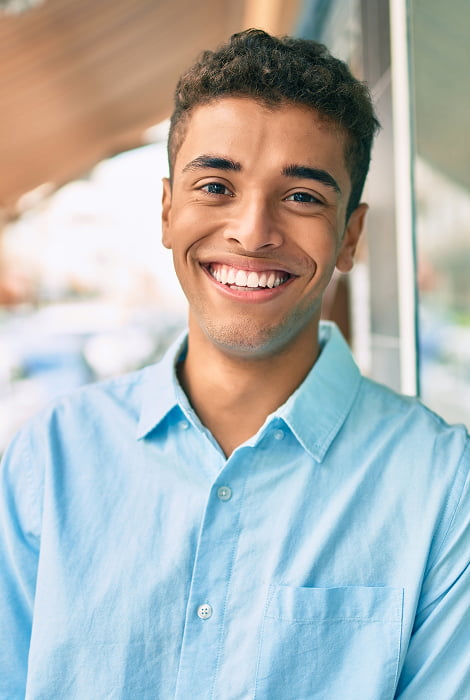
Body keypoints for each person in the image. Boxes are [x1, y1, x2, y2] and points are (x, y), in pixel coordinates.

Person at [0, 29, 468, 700]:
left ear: (352, 236)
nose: (252, 231)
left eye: (303, 196)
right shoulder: (50, 459)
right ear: (167, 210)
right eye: (216, 185)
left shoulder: (444, 488)